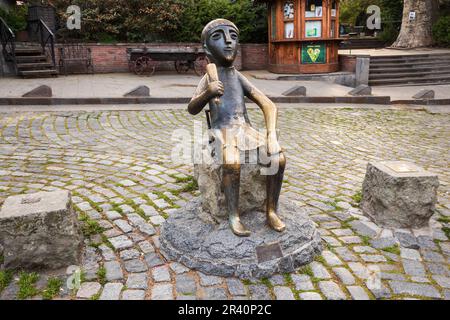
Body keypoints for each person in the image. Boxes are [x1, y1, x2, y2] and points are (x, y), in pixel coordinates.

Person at [188, 19, 286, 237]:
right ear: (206, 47)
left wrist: (271, 135)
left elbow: (269, 105)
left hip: (245, 128)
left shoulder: (237, 76)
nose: (228, 41)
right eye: (218, 37)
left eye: (233, 36)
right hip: (221, 130)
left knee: (278, 158)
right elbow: (192, 108)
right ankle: (234, 215)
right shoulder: (208, 78)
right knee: (232, 161)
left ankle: (271, 210)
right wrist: (207, 93)